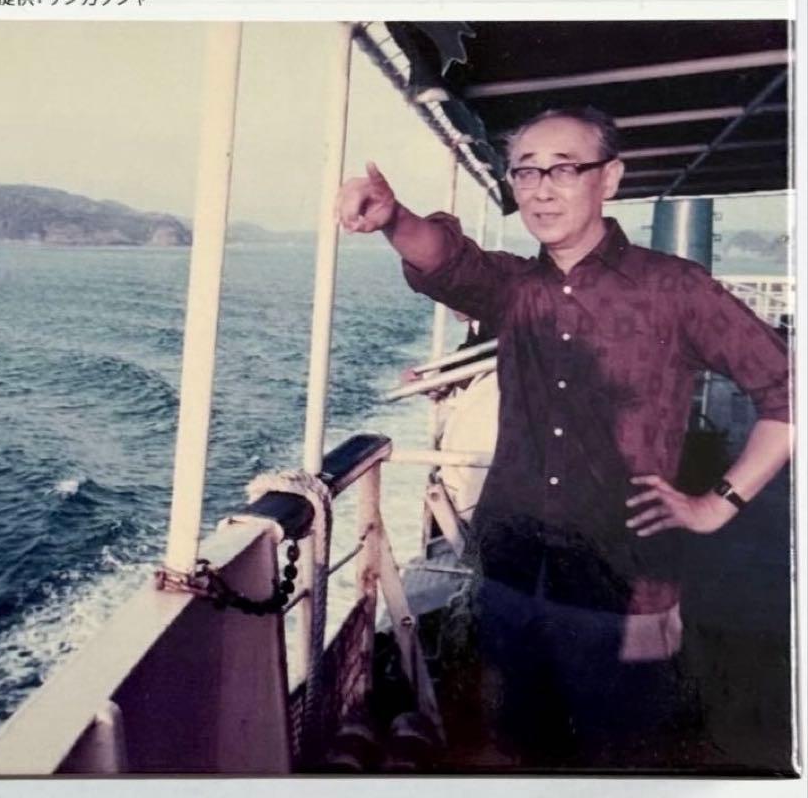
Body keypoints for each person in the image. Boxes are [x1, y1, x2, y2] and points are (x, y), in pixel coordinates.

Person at [336, 106, 792, 768]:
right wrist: (392, 217)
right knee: (515, 748)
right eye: (526, 172)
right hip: (510, 578)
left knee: (621, 757)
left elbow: (787, 390)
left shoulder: (674, 289)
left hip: (622, 593)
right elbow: (449, 261)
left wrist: (716, 504)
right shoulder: (517, 290)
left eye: (564, 169)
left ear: (609, 179)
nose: (541, 190)